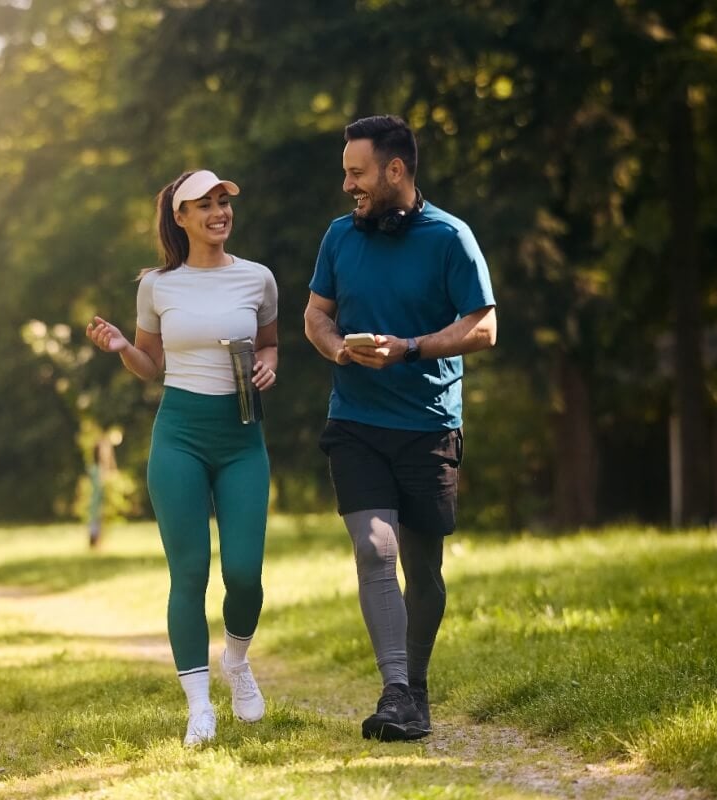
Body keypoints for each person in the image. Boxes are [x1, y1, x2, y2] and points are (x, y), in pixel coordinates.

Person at [303, 115, 497, 742]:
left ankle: (415, 686)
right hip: (355, 421)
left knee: (424, 570)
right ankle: (395, 691)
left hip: (427, 425)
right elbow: (315, 315)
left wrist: (412, 347)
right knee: (374, 548)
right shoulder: (339, 237)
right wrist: (337, 351)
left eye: (357, 174)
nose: (348, 186)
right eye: (344, 174)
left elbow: (484, 327)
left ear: (395, 170)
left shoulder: (450, 237)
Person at [86, 169, 279, 746]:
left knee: (244, 572)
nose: (220, 212)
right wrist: (124, 348)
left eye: (225, 202)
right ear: (181, 216)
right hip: (180, 437)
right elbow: (152, 364)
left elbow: (270, 343)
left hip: (242, 438)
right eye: (206, 205)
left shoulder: (258, 278)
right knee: (189, 572)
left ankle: (237, 662)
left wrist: (271, 364)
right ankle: (199, 708)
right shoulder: (158, 286)